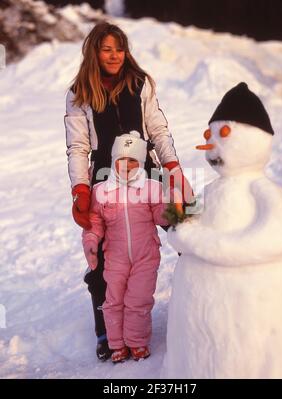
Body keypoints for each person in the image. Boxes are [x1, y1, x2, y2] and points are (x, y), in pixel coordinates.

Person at [64, 21, 193, 360]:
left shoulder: (140, 84)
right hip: (106, 179)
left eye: (119, 48)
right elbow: (77, 146)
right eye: (106, 49)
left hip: (147, 173)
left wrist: (172, 167)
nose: (114, 55)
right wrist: (80, 188)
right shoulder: (80, 93)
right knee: (103, 257)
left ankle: (200, 308)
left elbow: (158, 129)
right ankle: (106, 330)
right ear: (94, 51)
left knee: (186, 230)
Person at [82, 131, 169, 362]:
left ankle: (137, 342)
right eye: (122, 160)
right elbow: (95, 223)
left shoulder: (151, 188)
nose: (127, 165)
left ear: (141, 163)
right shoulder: (102, 191)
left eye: (133, 160)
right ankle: (117, 344)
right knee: (114, 301)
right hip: (115, 257)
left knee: (138, 300)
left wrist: (174, 211)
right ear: (113, 161)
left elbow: (161, 214)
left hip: (146, 255)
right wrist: (91, 241)